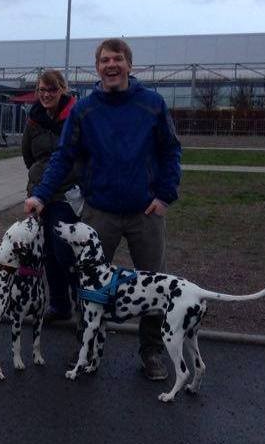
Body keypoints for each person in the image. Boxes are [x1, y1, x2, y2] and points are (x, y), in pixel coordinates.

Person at [24, 38, 182, 381]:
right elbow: (63, 156)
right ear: (97, 67)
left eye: (118, 59)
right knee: (88, 285)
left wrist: (165, 195)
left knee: (154, 286)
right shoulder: (85, 110)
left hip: (146, 212)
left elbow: (171, 151)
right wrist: (40, 195)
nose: (111, 65)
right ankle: (87, 347)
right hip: (100, 212)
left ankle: (151, 350)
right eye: (105, 60)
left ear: (129, 65)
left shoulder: (152, 105)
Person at [20, 69, 79, 322]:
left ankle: (81, 302)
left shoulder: (75, 117)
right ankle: (59, 304)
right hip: (40, 194)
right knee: (48, 252)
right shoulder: (34, 120)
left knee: (64, 249)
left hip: (66, 193)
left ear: (62, 90)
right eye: (42, 90)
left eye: (52, 89)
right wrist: (38, 176)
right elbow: (28, 155)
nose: (46, 95)